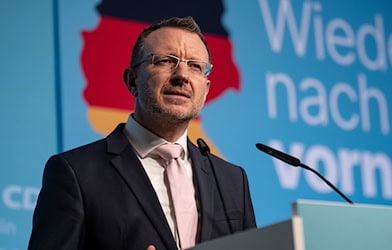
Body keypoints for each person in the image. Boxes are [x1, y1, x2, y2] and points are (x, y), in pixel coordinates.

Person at [28, 16, 256, 250]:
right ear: (132, 80)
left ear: (206, 90)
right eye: (166, 61)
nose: (182, 76)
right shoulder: (75, 173)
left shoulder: (233, 181)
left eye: (195, 66)